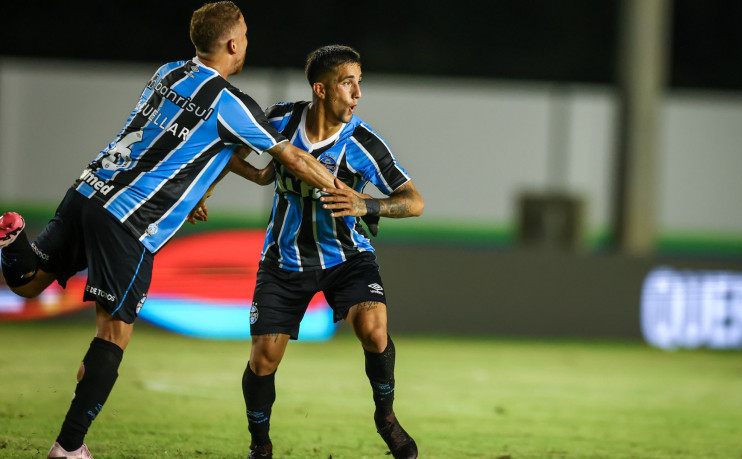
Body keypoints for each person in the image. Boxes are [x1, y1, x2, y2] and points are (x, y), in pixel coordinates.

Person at [0, 3, 343, 458]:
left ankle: (11, 238)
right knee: (113, 334)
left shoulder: (168, 73)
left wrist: (202, 179)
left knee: (28, 281)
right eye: (245, 35)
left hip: (89, 189)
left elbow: (187, 140)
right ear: (233, 44)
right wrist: (348, 194)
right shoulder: (231, 102)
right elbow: (289, 160)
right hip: (131, 221)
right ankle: (69, 447)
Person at [200, 44, 424, 459]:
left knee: (375, 332)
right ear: (321, 90)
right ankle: (260, 445)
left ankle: (386, 419)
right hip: (284, 261)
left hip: (347, 259)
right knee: (264, 360)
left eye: (360, 82)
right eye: (347, 83)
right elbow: (235, 153)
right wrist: (206, 188)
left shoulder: (363, 141)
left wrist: (367, 205)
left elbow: (414, 201)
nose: (357, 93)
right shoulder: (282, 118)